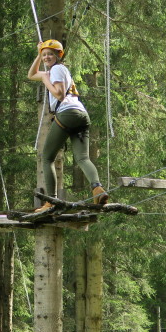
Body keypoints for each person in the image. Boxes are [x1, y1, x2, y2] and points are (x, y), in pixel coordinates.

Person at [27, 39, 108, 212]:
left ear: (58, 56)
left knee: (47, 157)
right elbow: (31, 74)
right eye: (44, 55)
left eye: (50, 54)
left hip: (67, 113)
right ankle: (97, 188)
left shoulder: (56, 69)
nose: (47, 57)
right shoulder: (56, 70)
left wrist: (45, 81)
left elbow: (59, 94)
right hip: (81, 115)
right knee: (83, 158)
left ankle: (51, 201)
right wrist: (38, 54)